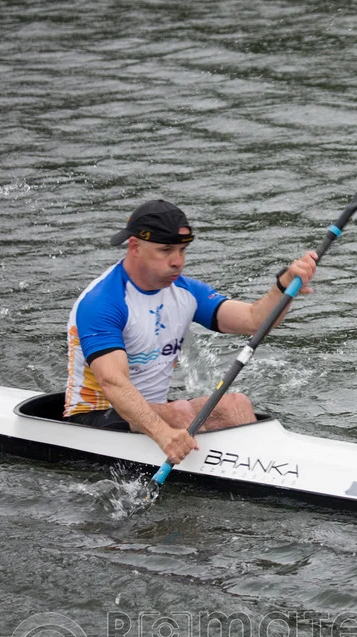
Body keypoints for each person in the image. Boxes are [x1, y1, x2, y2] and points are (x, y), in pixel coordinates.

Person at [64, 199, 318, 467]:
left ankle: (268, 467)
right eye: (166, 250)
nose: (178, 262)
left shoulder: (185, 292)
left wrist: (283, 287)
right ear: (135, 247)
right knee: (181, 413)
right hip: (95, 418)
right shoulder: (103, 302)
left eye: (182, 250)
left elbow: (254, 320)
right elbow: (113, 382)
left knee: (236, 404)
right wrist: (163, 434)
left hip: (155, 411)